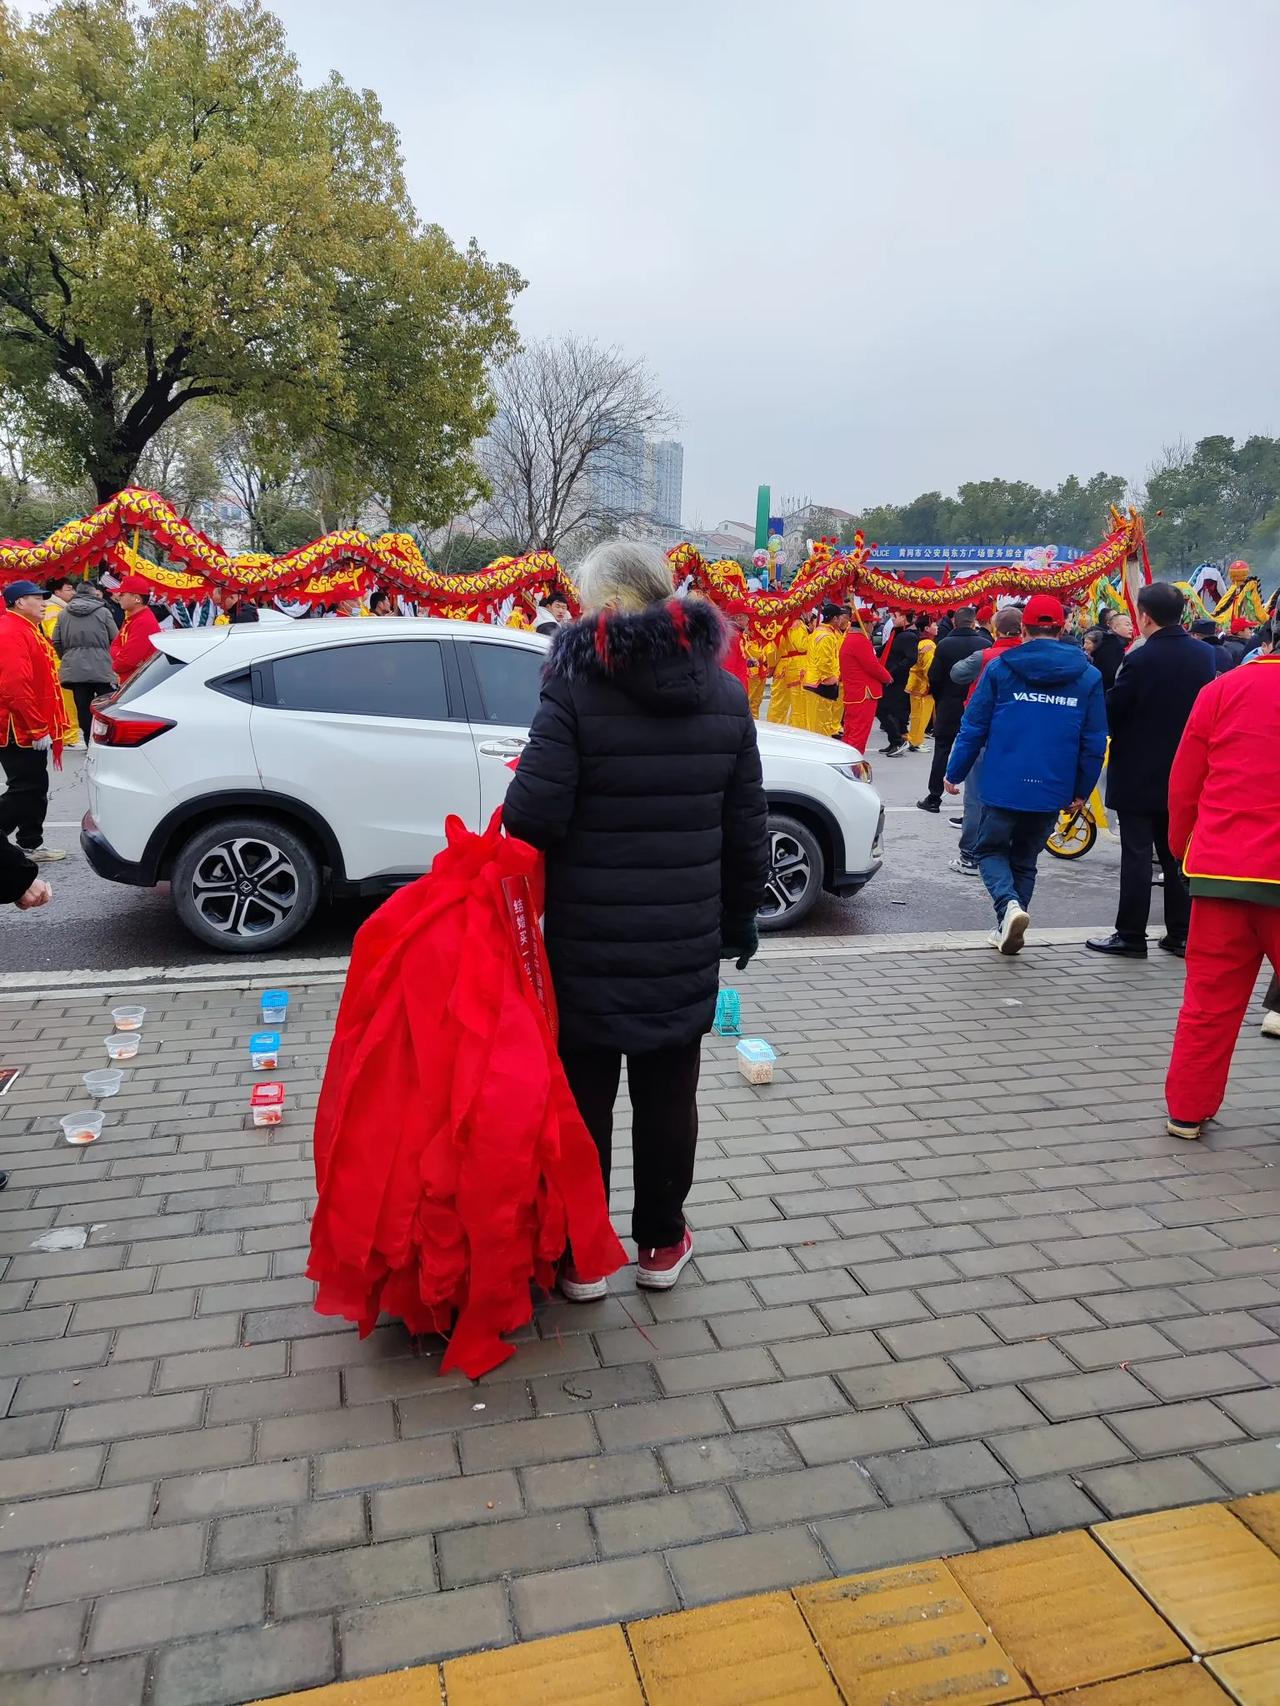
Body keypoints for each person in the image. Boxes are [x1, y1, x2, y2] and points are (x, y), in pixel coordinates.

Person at [502, 540, 768, 1297]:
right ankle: (659, 1243)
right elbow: (746, 825)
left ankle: (583, 1256)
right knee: (667, 1097)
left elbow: (533, 817)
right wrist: (737, 919)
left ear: (609, 607)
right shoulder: (725, 694)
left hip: (588, 943)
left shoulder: (574, 688)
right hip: (683, 945)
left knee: (583, 1098)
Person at [1163, 618, 1280, 1139]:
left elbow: (1186, 781)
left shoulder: (1223, 689)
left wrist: (1184, 848)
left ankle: (1187, 1110)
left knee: (1209, 1003)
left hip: (1220, 870)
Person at [945, 593, 1106, 955]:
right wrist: (1081, 789)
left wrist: (953, 772)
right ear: (1063, 627)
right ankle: (1009, 924)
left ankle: (1009, 909)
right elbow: (1093, 740)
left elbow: (974, 727)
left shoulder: (1001, 669)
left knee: (989, 850)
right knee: (1026, 859)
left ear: (1023, 630)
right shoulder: (1088, 676)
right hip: (1054, 784)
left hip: (1004, 780)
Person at [1086, 583, 1215, 961]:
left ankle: (1131, 934)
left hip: (1139, 769)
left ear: (1144, 616)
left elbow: (1116, 709)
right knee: (1175, 853)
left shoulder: (1142, 658)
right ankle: (1180, 934)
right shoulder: (1203, 655)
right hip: (1185, 769)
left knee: (1138, 855)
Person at [948, 605, 1025, 875]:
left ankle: (970, 855)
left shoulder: (986, 657)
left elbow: (957, 673)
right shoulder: (1032, 657)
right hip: (1020, 737)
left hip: (984, 734)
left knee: (977, 798)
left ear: (995, 629)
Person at [0, 580, 71, 863]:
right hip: (16, 727)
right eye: (37, 598)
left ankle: (30, 842)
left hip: (27, 724)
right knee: (25, 786)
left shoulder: (26, 627)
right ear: (19, 602)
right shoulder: (10, 630)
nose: (44, 603)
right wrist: (36, 726)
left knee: (35, 785)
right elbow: (15, 686)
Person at [918, 606, 990, 811]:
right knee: (977, 752)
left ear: (955, 622)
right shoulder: (985, 644)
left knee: (942, 749)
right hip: (977, 704)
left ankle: (934, 797)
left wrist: (941, 698)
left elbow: (934, 676)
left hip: (949, 703)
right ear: (974, 622)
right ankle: (975, 801)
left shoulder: (944, 644)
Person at [52, 580, 117, 739]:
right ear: (93, 594)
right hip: (102, 665)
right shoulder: (103, 612)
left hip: (75, 668)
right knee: (106, 706)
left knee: (82, 707)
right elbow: (115, 638)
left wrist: (66, 656)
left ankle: (88, 740)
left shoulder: (63, 613)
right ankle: (104, 739)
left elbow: (56, 641)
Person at [839, 608, 893, 754]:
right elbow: (872, 666)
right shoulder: (860, 641)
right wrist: (887, 677)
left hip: (853, 693)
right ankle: (853, 766)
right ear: (866, 624)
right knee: (858, 734)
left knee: (851, 732)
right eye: (871, 623)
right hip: (864, 694)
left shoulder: (849, 639)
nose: (873, 626)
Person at [42, 576, 83, 746]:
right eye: (68, 589)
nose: (72, 592)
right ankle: (69, 735)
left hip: (61, 658)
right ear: (57, 592)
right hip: (58, 659)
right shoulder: (54, 610)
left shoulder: (60, 608)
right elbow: (55, 635)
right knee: (66, 699)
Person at [877, 611, 918, 756]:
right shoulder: (897, 633)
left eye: (898, 616)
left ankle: (898, 741)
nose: (894, 619)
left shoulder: (909, 636)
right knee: (884, 709)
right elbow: (885, 651)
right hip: (888, 677)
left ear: (906, 618)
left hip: (897, 679)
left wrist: (894, 671)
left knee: (886, 709)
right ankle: (893, 741)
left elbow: (911, 658)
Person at [109, 577, 163, 684]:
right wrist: (121, 654)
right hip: (131, 682)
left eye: (122, 594)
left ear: (136, 598)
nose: (118, 597)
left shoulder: (143, 621)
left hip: (139, 684)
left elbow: (127, 661)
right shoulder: (133, 618)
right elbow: (113, 647)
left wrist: (117, 662)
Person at [801, 602, 845, 735]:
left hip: (814, 681)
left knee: (815, 723)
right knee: (821, 724)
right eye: (840, 617)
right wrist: (830, 679)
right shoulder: (827, 636)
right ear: (835, 618)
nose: (842, 620)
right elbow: (824, 662)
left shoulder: (819, 631)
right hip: (820, 684)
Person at [767, 609, 815, 727]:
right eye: (808, 611)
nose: (810, 614)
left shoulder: (784, 624)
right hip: (797, 667)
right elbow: (802, 646)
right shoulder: (797, 624)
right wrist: (813, 635)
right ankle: (797, 730)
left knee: (778, 703)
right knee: (798, 704)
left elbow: (774, 649)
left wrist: (771, 666)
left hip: (782, 666)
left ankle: (774, 728)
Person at [905, 617, 938, 750]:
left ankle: (914, 739)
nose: (937, 627)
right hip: (923, 686)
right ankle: (916, 742)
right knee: (921, 715)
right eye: (934, 624)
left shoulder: (920, 643)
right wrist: (932, 683)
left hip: (915, 684)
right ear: (927, 628)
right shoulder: (929, 645)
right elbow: (928, 668)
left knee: (916, 714)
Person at [1091, 610, 1132, 690]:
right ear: (1115, 628)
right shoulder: (1110, 647)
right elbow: (1111, 676)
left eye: (1131, 625)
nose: (1131, 628)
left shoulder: (1115, 643)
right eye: (1127, 625)